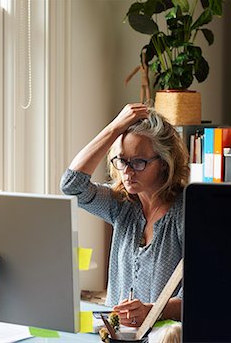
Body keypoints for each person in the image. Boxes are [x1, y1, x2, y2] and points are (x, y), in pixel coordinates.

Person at [60, 103, 189, 327]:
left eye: (138, 162)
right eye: (121, 161)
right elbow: (72, 185)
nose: (127, 172)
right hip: (115, 334)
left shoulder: (186, 213)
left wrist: (152, 311)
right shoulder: (122, 206)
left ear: (164, 162)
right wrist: (114, 128)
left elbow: (200, 298)